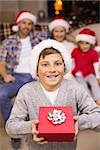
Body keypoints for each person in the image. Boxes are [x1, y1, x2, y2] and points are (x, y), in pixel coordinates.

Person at [6, 39, 100, 150]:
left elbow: (97, 117)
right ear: (36, 69)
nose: (52, 69)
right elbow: (11, 127)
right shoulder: (26, 92)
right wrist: (31, 127)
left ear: (64, 67)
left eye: (58, 64)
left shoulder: (74, 88)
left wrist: (78, 122)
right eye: (45, 64)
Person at [0, 10, 47, 149]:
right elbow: (1, 62)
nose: (27, 26)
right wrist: (5, 75)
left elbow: (60, 33)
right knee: (2, 95)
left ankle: (42, 129)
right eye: (24, 22)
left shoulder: (40, 37)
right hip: (16, 76)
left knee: (42, 97)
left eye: (30, 23)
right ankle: (14, 131)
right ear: (18, 24)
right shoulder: (8, 41)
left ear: (33, 26)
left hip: (35, 76)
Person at [71, 28, 100, 106]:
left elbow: (96, 65)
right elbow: (72, 62)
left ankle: (98, 99)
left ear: (91, 43)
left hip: (90, 73)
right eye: (82, 43)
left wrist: (98, 76)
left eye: (87, 43)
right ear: (78, 43)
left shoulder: (93, 53)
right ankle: (89, 101)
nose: (84, 46)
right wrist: (73, 71)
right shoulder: (75, 51)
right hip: (79, 73)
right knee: (82, 85)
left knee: (94, 83)